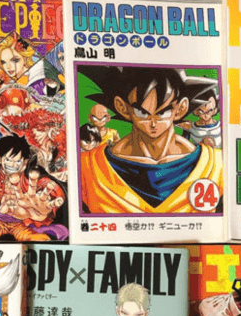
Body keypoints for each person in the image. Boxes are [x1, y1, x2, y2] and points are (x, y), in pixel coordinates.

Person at [78, 67, 223, 213]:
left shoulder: (214, 165)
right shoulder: (90, 166)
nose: (153, 123)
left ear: (180, 109)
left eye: (163, 112)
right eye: (142, 113)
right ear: (122, 108)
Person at [0, 134, 67, 241]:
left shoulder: (29, 176)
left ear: (24, 162)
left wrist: (52, 193)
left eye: (17, 161)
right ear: (0, 159)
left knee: (40, 239)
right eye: (8, 160)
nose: (12, 165)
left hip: (20, 225)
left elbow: (45, 183)